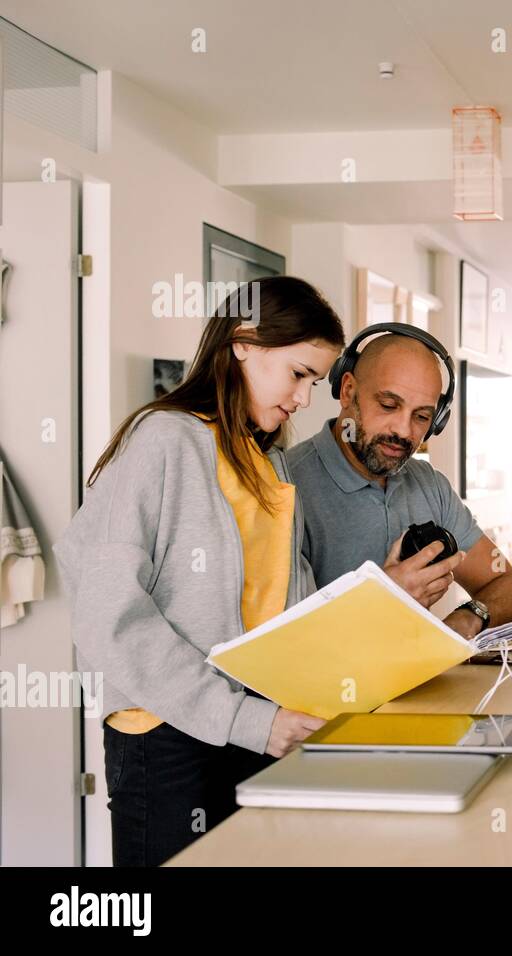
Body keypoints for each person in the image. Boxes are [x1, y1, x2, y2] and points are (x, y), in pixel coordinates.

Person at [54, 277, 346, 865]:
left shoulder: (267, 459)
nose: (305, 398)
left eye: (315, 381)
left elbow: (278, 598)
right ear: (242, 343)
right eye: (298, 374)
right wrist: (243, 718)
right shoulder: (165, 441)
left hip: (253, 726)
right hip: (170, 739)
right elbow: (107, 610)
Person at [287, 324, 512, 639]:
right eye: (389, 405)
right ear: (347, 391)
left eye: (421, 417)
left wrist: (467, 620)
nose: (403, 431)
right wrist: (384, 601)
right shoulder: (287, 485)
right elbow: (288, 646)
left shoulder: (428, 484)